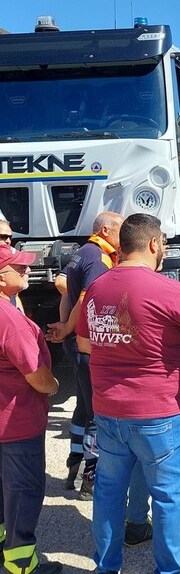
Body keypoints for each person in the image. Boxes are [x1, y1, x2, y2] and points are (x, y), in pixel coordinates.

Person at [75, 213, 180, 574]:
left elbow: (85, 342)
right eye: (164, 243)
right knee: (167, 496)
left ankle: (106, 567)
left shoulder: (98, 287)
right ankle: (171, 570)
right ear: (154, 244)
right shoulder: (165, 288)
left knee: (108, 491)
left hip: (108, 410)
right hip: (158, 413)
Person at [47, 211, 124, 499]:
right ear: (105, 230)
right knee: (97, 415)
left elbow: (61, 284)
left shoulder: (82, 252)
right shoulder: (100, 258)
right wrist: (68, 327)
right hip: (89, 345)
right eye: (120, 229)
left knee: (83, 407)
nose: (124, 235)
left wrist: (65, 328)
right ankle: (91, 479)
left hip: (76, 345)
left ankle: (74, 466)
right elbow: (84, 299)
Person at [0, 244, 62, 574]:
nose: (26, 271)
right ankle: (20, 564)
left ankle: (3, 546)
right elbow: (37, 377)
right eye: (18, 267)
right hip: (17, 423)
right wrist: (53, 386)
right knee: (24, 492)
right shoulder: (9, 320)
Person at [0, 219, 25, 313]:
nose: (8, 241)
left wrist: (21, 317)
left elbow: (16, 295)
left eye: (10, 237)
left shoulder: (12, 255)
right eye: (2, 237)